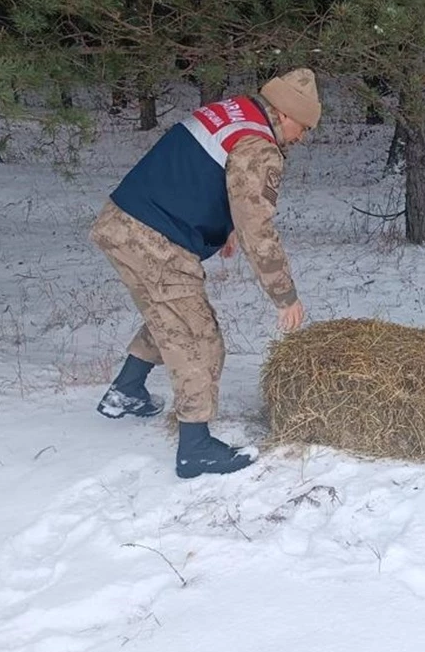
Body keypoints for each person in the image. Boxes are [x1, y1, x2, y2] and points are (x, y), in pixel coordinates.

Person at [91, 69, 321, 479]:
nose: (301, 138)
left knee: (171, 316)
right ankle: (195, 448)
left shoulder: (235, 111)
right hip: (156, 237)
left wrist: (224, 226)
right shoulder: (260, 146)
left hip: (122, 220)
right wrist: (285, 296)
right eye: (303, 127)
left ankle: (126, 391)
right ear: (285, 115)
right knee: (199, 338)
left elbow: (205, 171)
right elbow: (259, 229)